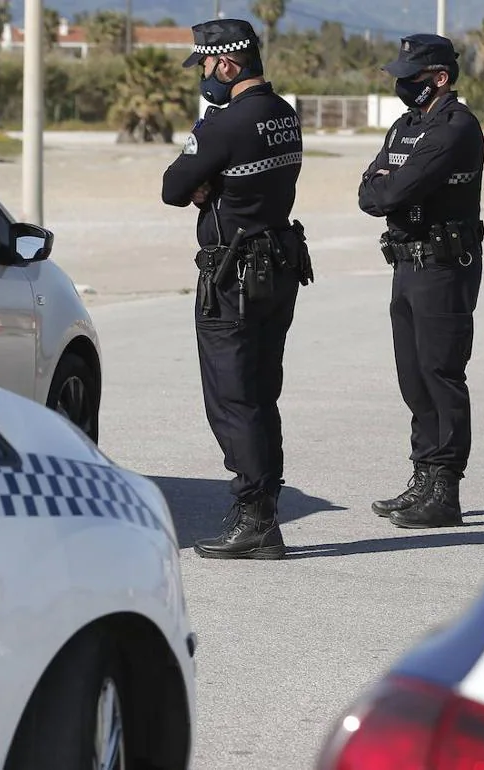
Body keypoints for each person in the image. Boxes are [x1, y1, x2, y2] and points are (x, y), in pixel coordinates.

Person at [161, 18, 313, 560]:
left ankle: (254, 517)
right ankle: (263, 508)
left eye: (204, 64)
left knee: (232, 399)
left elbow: (173, 187)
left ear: (227, 64)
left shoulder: (224, 124)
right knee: (260, 395)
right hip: (277, 268)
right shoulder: (284, 116)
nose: (203, 74)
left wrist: (209, 185)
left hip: (234, 279)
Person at [357, 33, 484, 529]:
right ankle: (423, 477)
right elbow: (371, 190)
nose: (401, 84)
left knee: (441, 373)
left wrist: (388, 186)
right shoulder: (406, 125)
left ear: (440, 78)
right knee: (413, 378)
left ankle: (445, 489)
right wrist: (385, 186)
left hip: (443, 265)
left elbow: (396, 189)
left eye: (410, 76)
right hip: (406, 264)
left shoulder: (456, 128)